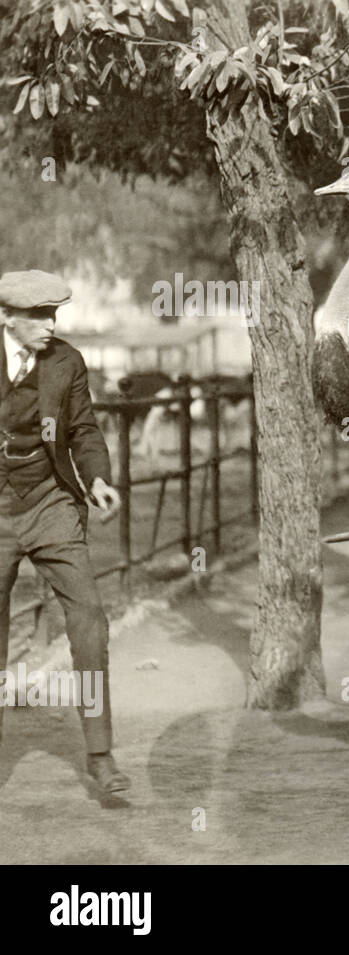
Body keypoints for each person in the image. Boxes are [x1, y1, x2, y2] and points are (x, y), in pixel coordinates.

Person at [0, 270, 128, 793]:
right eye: (39, 316)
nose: (51, 326)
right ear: (8, 318)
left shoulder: (65, 362)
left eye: (55, 315)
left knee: (90, 623)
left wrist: (97, 478)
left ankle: (100, 755)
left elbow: (82, 429)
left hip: (51, 499)